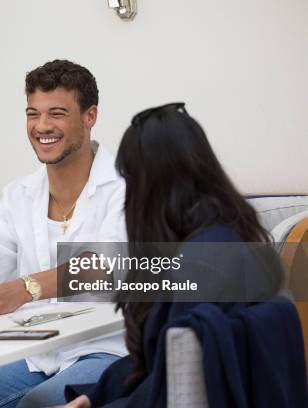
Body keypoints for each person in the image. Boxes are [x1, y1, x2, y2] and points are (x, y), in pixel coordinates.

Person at [63, 103, 305, 407]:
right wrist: (94, 396)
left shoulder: (202, 265)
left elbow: (173, 388)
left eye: (129, 179)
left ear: (148, 185)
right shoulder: (228, 236)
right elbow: (162, 362)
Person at [0, 60, 128, 408]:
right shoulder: (20, 194)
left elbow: (105, 265)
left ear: (89, 116)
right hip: (37, 353)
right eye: (32, 114)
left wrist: (25, 289)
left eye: (57, 113)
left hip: (110, 349)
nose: (42, 126)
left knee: (40, 403)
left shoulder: (126, 186)